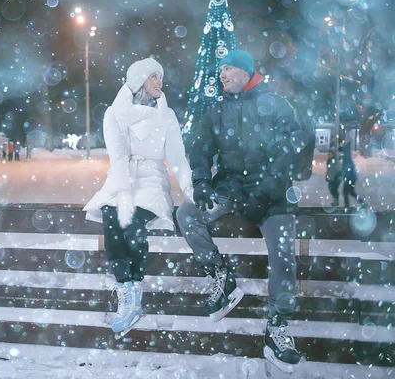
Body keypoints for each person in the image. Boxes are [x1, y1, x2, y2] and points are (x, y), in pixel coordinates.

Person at [176, 50, 303, 372]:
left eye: (228, 68)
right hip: (231, 188)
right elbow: (200, 148)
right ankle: (221, 275)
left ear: (247, 71)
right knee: (188, 214)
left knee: (284, 256)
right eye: (220, 70)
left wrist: (264, 193)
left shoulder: (276, 105)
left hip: (274, 196)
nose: (221, 75)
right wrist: (202, 180)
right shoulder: (216, 111)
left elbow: (290, 153)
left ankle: (277, 327)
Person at [84, 58, 193, 339]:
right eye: (153, 76)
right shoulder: (115, 114)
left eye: (161, 76)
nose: (160, 81)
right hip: (122, 179)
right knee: (113, 217)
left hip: (153, 181)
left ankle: (136, 292)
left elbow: (178, 157)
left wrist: (191, 189)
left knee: (131, 221)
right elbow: (118, 156)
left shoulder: (166, 116)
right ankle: (126, 291)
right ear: (138, 80)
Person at [341, 142, 365, 210]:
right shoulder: (347, 156)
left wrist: (345, 175)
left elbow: (348, 168)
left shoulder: (346, 157)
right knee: (351, 192)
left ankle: (347, 207)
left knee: (346, 193)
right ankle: (362, 203)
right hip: (351, 178)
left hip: (350, 179)